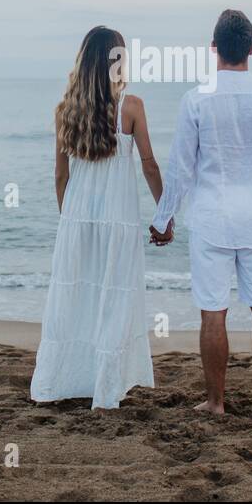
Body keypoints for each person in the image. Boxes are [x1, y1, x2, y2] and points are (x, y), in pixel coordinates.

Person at [149, 9, 252, 413]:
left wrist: (164, 219)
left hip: (213, 219)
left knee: (213, 312)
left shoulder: (196, 99)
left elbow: (180, 168)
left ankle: (216, 403)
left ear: (214, 48)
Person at [30, 26, 161, 409]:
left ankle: (64, 380)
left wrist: (68, 220)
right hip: (117, 221)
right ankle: (104, 388)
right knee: (113, 299)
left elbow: (60, 175)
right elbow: (149, 166)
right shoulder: (131, 107)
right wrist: (164, 214)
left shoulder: (65, 111)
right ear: (117, 61)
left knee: (77, 297)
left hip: (77, 220)